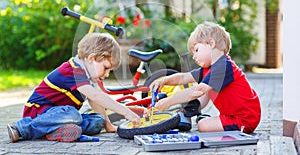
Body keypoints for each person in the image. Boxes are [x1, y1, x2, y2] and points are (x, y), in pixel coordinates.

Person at [7, 33, 141, 143]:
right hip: (38, 113)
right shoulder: (73, 70)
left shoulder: (85, 74)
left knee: (97, 121)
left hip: (60, 114)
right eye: (106, 68)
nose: (106, 74)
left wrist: (108, 124)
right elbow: (96, 96)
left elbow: (94, 101)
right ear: (92, 58)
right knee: (73, 115)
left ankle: (54, 131)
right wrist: (126, 112)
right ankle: (22, 128)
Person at [150, 21, 261, 133]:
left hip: (244, 119)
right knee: (204, 85)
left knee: (202, 125)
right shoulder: (208, 69)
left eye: (196, 50)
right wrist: (164, 80)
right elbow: (183, 78)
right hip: (233, 115)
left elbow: (197, 91)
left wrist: (169, 101)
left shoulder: (223, 67)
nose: (194, 57)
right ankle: (194, 108)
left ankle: (202, 117)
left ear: (211, 44)